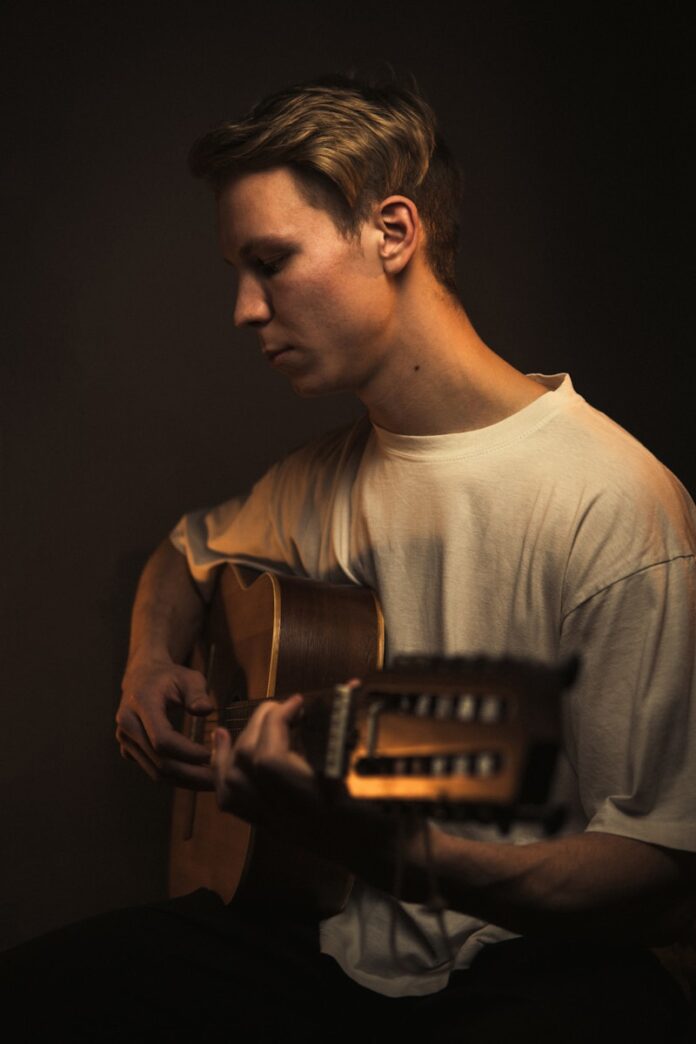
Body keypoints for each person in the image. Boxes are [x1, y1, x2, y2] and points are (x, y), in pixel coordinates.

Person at [6, 73, 695, 1041]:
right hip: (326, 954)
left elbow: (664, 884)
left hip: (530, 969)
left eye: (271, 262)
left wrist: (395, 849)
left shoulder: (615, 505)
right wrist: (148, 661)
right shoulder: (320, 480)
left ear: (394, 232)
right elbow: (183, 557)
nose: (245, 310)